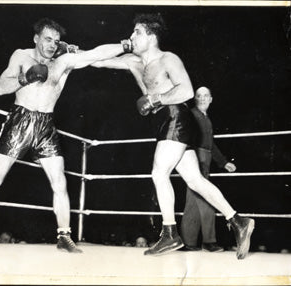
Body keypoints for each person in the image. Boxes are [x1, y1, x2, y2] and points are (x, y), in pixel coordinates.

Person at [0, 18, 129, 252]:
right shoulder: (21, 56)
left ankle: (64, 236)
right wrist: (24, 78)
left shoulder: (63, 61)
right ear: (36, 38)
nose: (51, 45)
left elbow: (96, 54)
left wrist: (126, 45)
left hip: (46, 124)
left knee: (59, 181)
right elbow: (0, 88)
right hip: (19, 121)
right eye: (47, 39)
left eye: (56, 41)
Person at [92, 13, 254, 259]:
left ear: (151, 36)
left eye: (137, 32)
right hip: (164, 122)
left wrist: (155, 98)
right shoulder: (134, 62)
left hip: (176, 116)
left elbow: (187, 90)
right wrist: (72, 52)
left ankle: (170, 234)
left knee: (159, 173)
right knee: (194, 180)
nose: (132, 36)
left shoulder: (168, 59)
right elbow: (97, 61)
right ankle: (238, 221)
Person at [181, 87, 237, 252]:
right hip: (196, 157)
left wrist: (223, 162)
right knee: (206, 198)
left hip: (202, 158)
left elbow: (210, 143)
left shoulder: (205, 118)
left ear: (211, 99)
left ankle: (189, 242)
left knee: (193, 200)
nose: (203, 98)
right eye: (199, 96)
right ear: (195, 98)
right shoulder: (192, 115)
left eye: (206, 96)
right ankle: (208, 241)